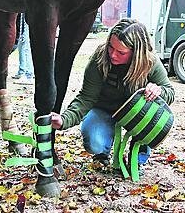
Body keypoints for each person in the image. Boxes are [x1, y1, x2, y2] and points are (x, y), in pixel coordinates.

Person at [51, 18, 175, 169]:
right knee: (94, 143)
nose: (113, 55)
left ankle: (138, 159)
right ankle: (102, 153)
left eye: (121, 52)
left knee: (152, 122)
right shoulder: (100, 58)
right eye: (111, 47)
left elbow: (169, 92)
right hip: (104, 110)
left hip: (137, 115)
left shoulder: (150, 62)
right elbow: (86, 98)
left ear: (136, 53)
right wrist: (64, 120)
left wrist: (159, 91)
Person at [12, 13, 34, 84]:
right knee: (23, 43)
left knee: (24, 43)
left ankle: (28, 74)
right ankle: (23, 71)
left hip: (27, 15)